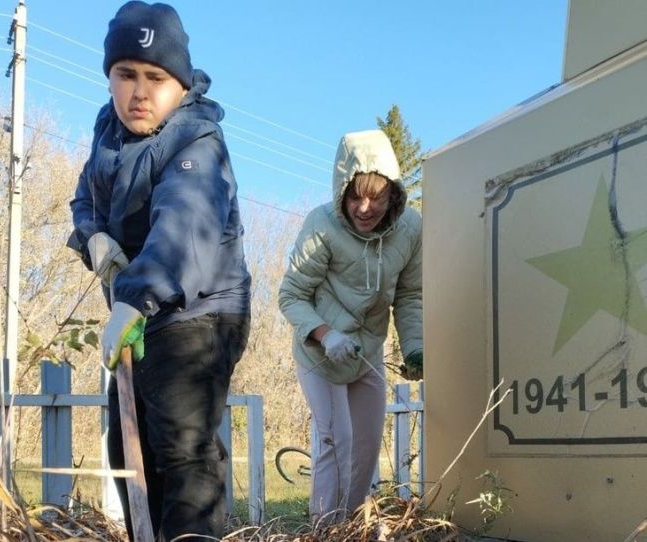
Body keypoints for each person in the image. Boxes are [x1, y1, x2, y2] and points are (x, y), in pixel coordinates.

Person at [67, 2, 251, 540]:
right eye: (125, 75)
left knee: (182, 448)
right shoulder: (110, 130)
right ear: (109, 78)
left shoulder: (197, 141)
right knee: (129, 447)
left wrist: (134, 296)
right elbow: (86, 198)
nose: (139, 92)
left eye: (156, 77)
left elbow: (185, 228)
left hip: (199, 311)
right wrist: (93, 237)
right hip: (140, 309)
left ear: (181, 83)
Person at [278, 129, 423, 523]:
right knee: (336, 442)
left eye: (376, 196)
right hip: (319, 352)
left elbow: (410, 295)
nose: (364, 207)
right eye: (355, 194)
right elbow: (290, 295)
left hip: (368, 353)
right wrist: (326, 335)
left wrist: (414, 347)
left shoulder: (411, 230)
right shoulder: (321, 225)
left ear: (393, 192)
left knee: (365, 448)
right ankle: (323, 528)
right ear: (341, 189)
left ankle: (351, 527)